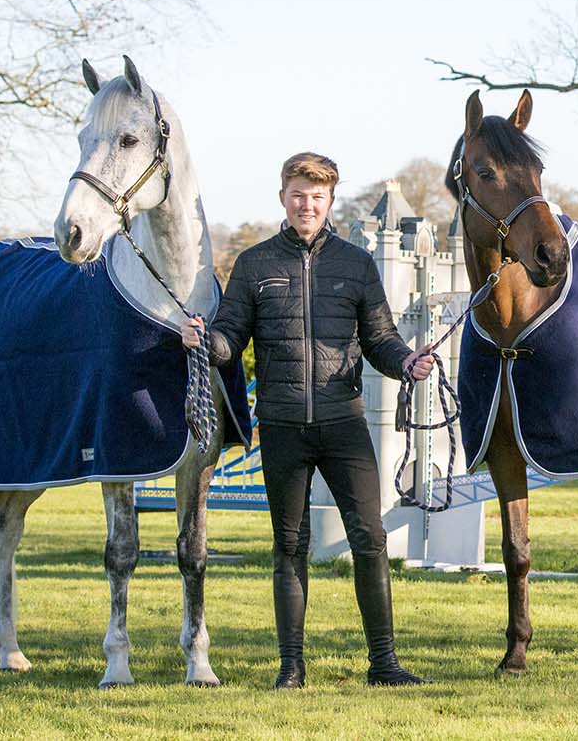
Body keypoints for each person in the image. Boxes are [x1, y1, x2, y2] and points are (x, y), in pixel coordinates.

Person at [183, 152, 435, 688]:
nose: (307, 204)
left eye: (317, 196)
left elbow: (381, 340)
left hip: (344, 424)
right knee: (289, 546)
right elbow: (230, 336)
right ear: (283, 197)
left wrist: (408, 362)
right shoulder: (254, 265)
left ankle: (384, 664)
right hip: (281, 425)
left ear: (330, 201)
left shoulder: (356, 265)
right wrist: (207, 342)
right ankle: (291, 667)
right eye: (298, 194)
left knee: (369, 539)